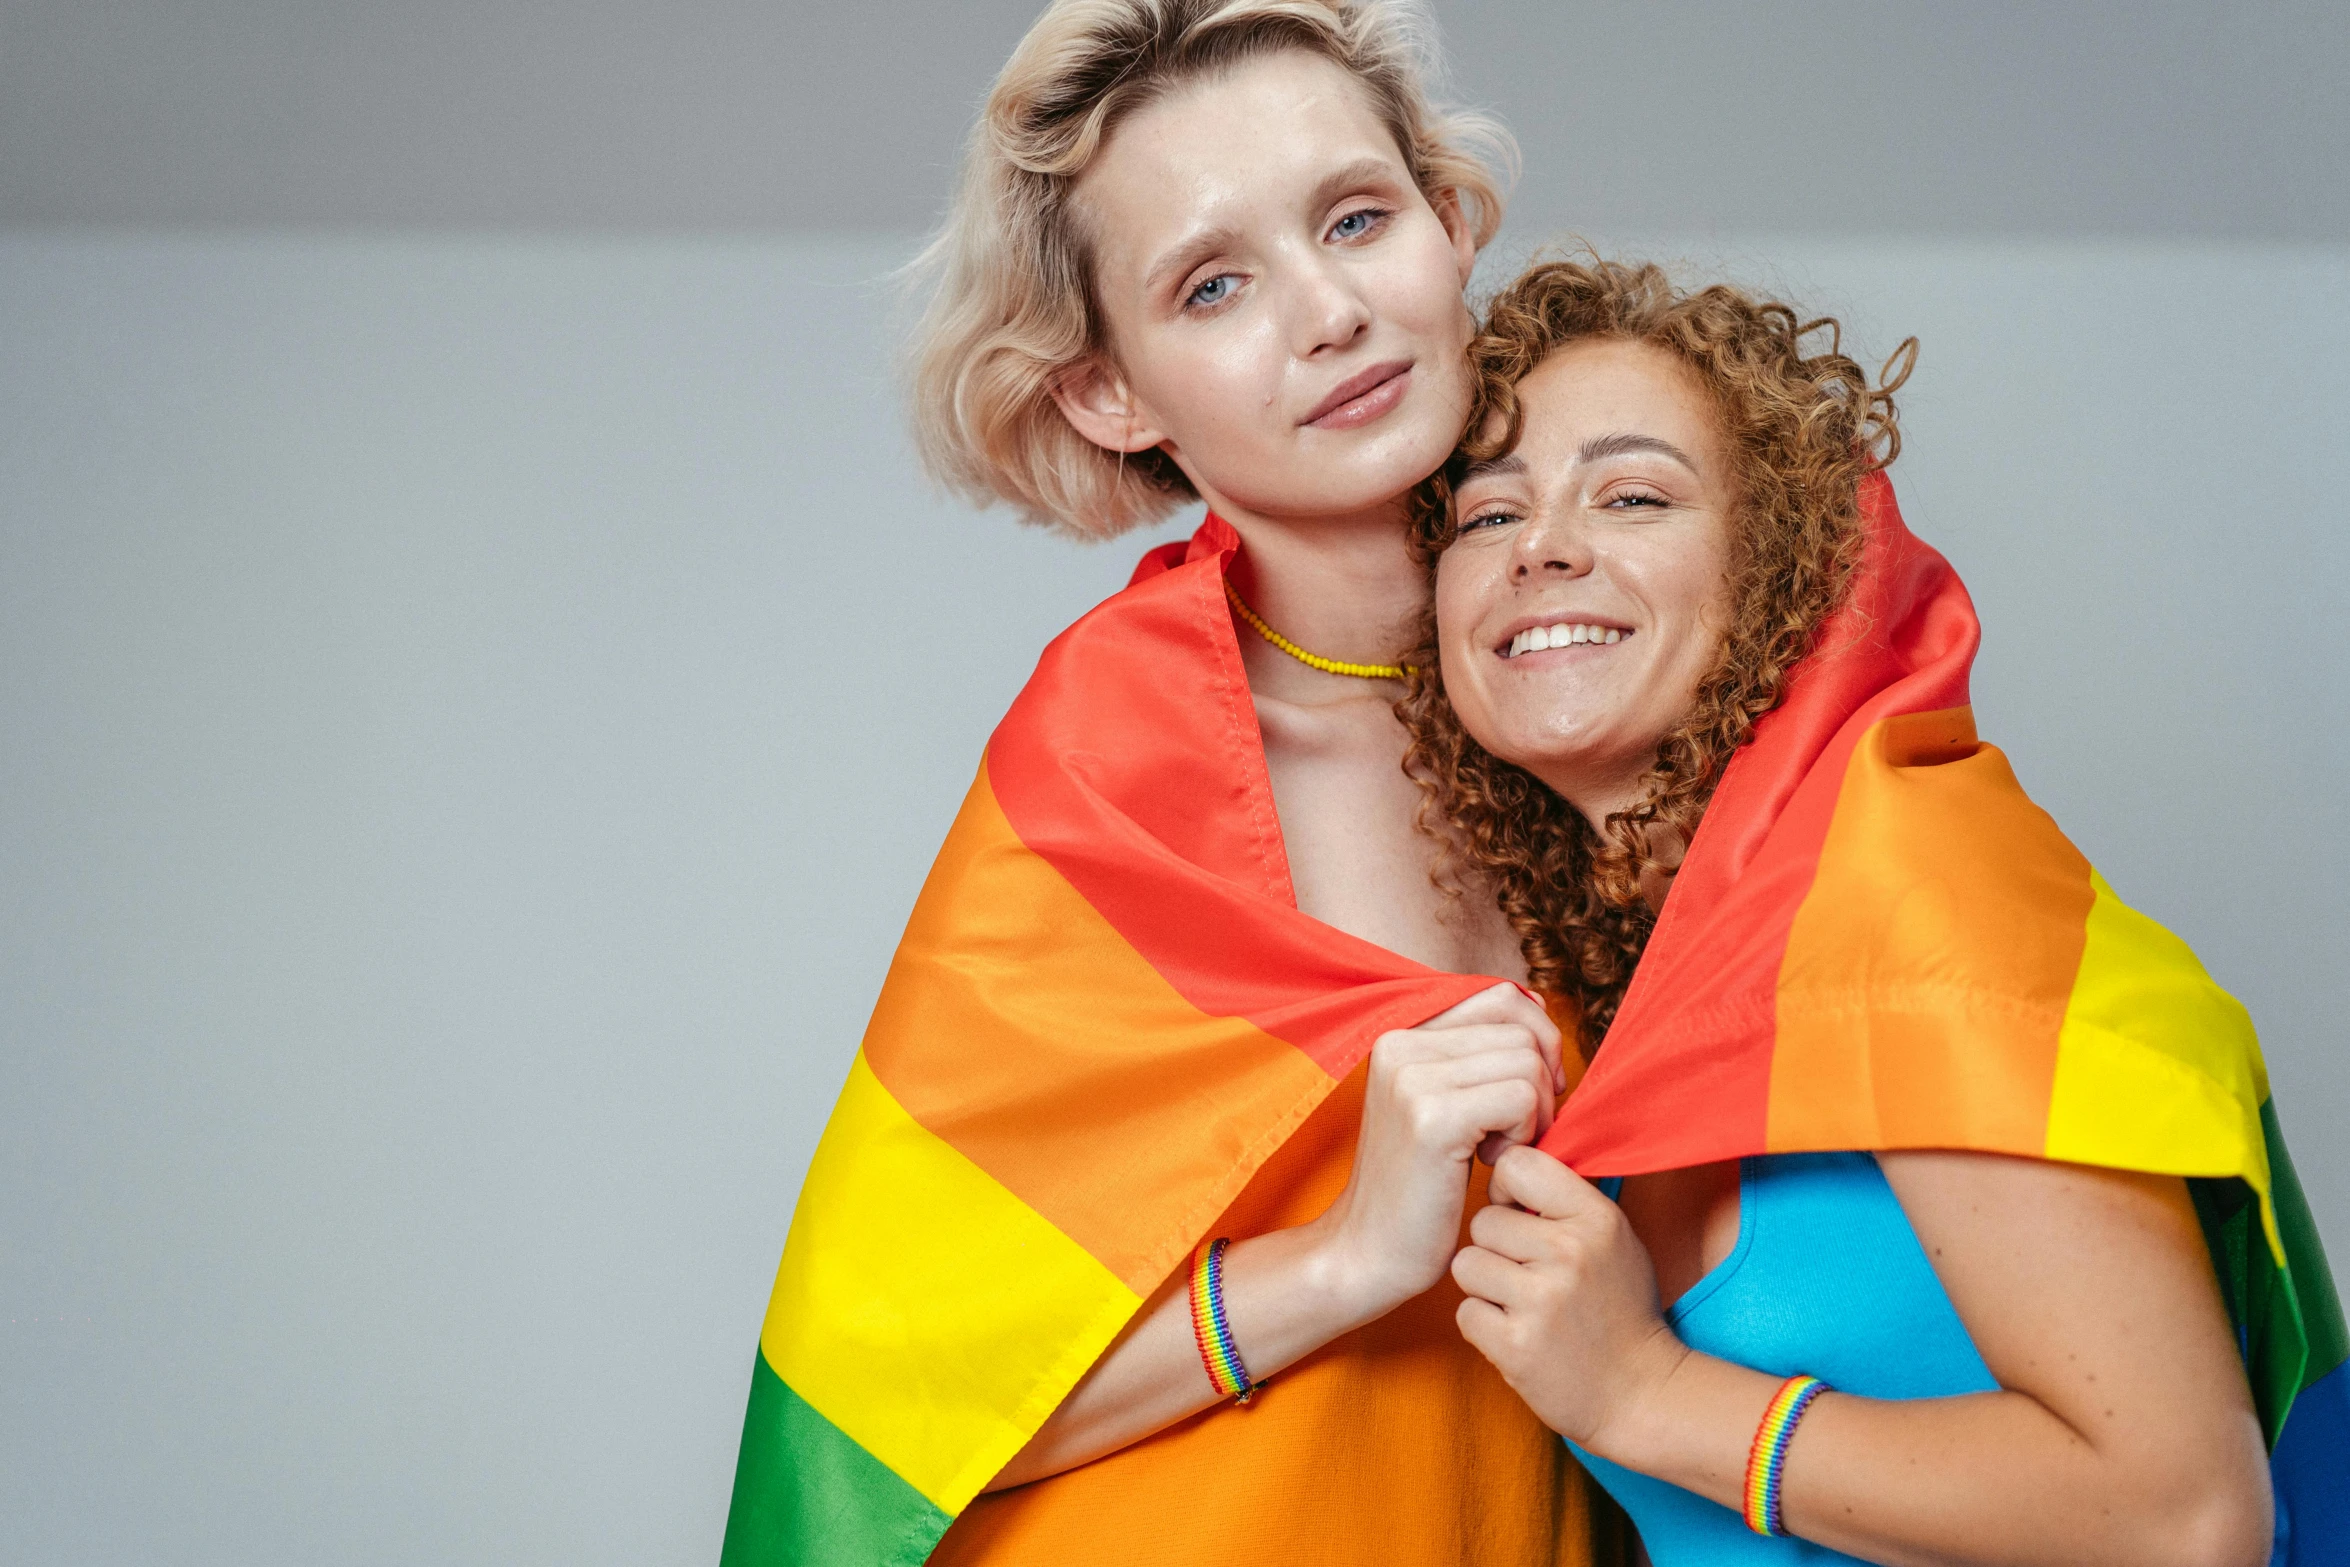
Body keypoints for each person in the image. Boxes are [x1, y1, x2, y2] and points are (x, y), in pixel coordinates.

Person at [722, 6, 1614, 1565]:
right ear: (1109, 396)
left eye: (1353, 217)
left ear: (1450, 227)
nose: (1326, 311)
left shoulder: (1631, 678)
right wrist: (1345, 1260)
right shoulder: (1108, 760)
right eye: (1212, 285)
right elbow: (892, 1403)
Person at [1395, 256, 2349, 1564]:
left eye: (1629, 494)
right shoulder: (1627, 988)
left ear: (1779, 572)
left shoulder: (1917, 888)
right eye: (1486, 516)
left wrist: (1645, 1394)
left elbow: (2183, 1519)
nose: (1544, 543)